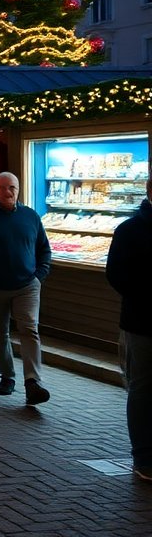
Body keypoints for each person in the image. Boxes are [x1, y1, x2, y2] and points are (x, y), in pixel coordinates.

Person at [0, 171, 52, 405]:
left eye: (12, 187)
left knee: (30, 330)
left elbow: (44, 249)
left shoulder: (31, 217)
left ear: (18, 189)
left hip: (27, 286)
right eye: (3, 187)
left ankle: (33, 381)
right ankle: (7, 376)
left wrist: (39, 276)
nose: (8, 192)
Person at [107, 177, 152, 482]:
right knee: (143, 389)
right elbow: (116, 274)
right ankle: (144, 458)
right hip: (143, 323)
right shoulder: (129, 230)